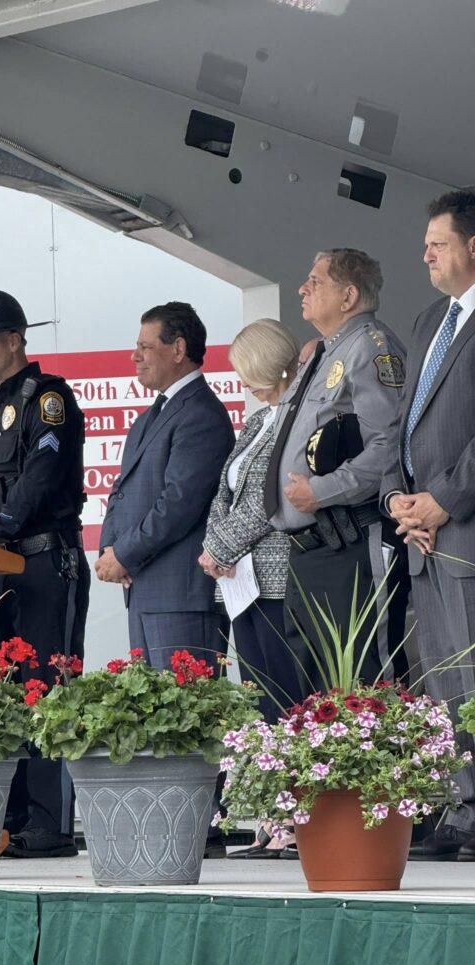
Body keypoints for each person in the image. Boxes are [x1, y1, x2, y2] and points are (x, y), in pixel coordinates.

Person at [0, 289, 90, 858]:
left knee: (46, 686)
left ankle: (49, 824)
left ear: (14, 340)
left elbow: (43, 472)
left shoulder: (48, 397)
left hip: (43, 559)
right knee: (8, 692)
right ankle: (13, 816)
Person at [265, 249, 409, 690]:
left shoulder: (370, 347)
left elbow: (390, 445)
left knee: (368, 686)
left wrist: (323, 491)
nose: (301, 289)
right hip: (309, 549)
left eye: (315, 281)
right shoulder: (324, 352)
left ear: (347, 296)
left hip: (349, 542)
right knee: (319, 691)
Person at [382, 190, 475, 862]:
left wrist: (443, 498)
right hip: (424, 532)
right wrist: (396, 497)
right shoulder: (425, 322)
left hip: (464, 526)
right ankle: (464, 809)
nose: (426, 256)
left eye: (438, 243)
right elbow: (401, 424)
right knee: (445, 678)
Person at [199, 319, 302, 859]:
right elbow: (227, 493)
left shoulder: (295, 420)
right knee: (258, 698)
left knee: (286, 696)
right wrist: (216, 545)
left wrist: (222, 548)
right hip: (240, 580)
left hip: (275, 576)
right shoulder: (258, 420)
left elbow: (268, 499)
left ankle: (296, 818)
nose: (240, 379)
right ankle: (269, 818)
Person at [95, 301, 234, 669]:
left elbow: (178, 504)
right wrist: (110, 546)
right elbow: (120, 491)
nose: (134, 356)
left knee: (187, 718)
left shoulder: (200, 414)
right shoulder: (150, 418)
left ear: (178, 349)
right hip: (145, 589)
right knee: (155, 719)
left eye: (145, 346)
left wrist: (123, 554)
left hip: (182, 595)